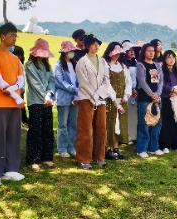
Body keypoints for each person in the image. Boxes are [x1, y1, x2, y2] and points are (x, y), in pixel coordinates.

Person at [0, 22, 26, 186]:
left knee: (13, 136)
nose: (14, 38)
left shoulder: (15, 59)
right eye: (12, 35)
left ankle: (11, 169)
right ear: (3, 36)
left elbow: (21, 80)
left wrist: (14, 90)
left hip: (14, 104)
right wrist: (15, 95)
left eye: (16, 35)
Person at [75, 34, 112, 169]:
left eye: (98, 44)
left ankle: (99, 156)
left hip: (100, 98)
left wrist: (99, 94)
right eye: (94, 44)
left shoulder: (102, 61)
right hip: (86, 98)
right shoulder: (82, 62)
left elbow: (106, 80)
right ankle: (83, 159)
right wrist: (93, 95)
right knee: (85, 129)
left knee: (101, 128)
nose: (96, 46)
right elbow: (83, 82)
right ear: (87, 46)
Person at [24, 39, 57, 171]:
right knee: (35, 131)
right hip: (35, 102)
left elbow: (52, 81)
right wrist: (45, 96)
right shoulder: (29, 65)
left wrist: (49, 94)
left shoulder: (46, 65)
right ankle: (34, 159)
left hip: (47, 101)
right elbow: (35, 83)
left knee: (47, 130)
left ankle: (47, 157)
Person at [103, 42, 131, 160]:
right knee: (109, 123)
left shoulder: (123, 66)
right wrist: (113, 98)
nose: (117, 55)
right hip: (110, 100)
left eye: (119, 53)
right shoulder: (106, 65)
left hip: (122, 99)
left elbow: (128, 82)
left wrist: (126, 96)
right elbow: (106, 82)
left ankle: (116, 147)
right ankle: (107, 148)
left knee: (119, 123)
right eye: (115, 53)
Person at [135, 43, 163, 158]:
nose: (151, 53)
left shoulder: (157, 65)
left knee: (156, 124)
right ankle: (142, 149)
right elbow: (142, 82)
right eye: (149, 51)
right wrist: (151, 94)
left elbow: (161, 81)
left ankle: (154, 147)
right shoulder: (140, 66)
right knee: (144, 124)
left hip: (156, 99)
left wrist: (157, 94)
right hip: (144, 99)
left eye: (153, 51)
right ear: (143, 52)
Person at [54, 41, 80, 159]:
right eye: (70, 51)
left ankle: (71, 147)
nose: (72, 53)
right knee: (63, 124)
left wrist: (77, 95)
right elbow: (61, 82)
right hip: (64, 98)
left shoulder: (75, 64)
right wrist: (75, 90)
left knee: (73, 124)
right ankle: (62, 148)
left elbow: (79, 80)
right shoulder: (58, 66)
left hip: (75, 98)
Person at [159, 50, 177, 152]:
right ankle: (165, 145)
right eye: (169, 57)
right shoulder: (161, 71)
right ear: (164, 59)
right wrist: (173, 90)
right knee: (167, 122)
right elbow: (161, 84)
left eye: (173, 57)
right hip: (167, 98)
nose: (171, 60)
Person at [122, 41, 139, 144]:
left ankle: (133, 135)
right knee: (126, 115)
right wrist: (131, 89)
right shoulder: (122, 63)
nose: (132, 52)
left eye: (133, 50)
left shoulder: (135, 62)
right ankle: (126, 136)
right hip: (126, 92)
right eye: (130, 50)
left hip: (135, 92)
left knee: (133, 115)